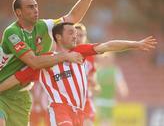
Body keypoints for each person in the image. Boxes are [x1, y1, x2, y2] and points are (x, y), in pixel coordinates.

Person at [0, 0, 103, 126]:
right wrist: (65, 56)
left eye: (36, 6)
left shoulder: (45, 26)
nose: (36, 10)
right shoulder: (12, 33)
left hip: (21, 95)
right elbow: (33, 62)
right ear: (18, 13)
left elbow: (73, 17)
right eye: (30, 7)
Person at [0, 22, 157, 126]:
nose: (76, 36)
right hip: (60, 110)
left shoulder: (81, 52)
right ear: (58, 37)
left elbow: (108, 45)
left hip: (80, 111)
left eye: (76, 33)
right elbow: (17, 78)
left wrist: (135, 44)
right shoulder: (43, 62)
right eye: (71, 33)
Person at [95, 52, 129, 126]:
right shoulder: (97, 70)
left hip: (110, 100)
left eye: (109, 59)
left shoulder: (114, 70)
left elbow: (120, 82)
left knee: (108, 121)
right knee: (103, 121)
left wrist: (123, 89)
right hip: (99, 100)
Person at [75, 23, 98, 126]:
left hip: (86, 98)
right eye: (77, 35)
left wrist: (93, 82)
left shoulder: (90, 56)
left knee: (88, 123)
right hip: (71, 101)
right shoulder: (65, 54)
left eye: (82, 35)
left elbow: (92, 73)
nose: (80, 38)